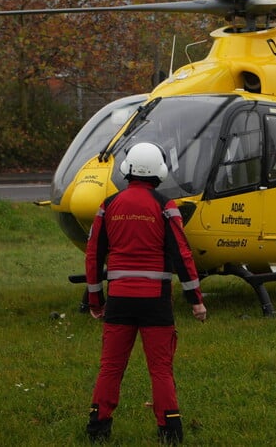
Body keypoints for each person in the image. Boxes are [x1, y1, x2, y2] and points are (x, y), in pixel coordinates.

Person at [84, 142, 207, 444]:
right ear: (159, 173)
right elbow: (182, 254)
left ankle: (98, 428)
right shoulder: (166, 206)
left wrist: (96, 300)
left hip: (120, 302)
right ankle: (170, 432)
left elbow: (93, 256)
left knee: (110, 367)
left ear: (127, 170)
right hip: (156, 303)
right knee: (161, 370)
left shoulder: (108, 206)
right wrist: (196, 301)